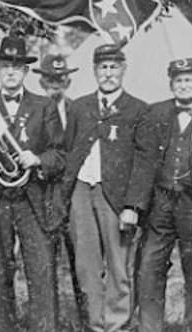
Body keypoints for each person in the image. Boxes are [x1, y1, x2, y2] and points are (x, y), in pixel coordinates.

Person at [0, 35, 65, 332]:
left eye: (17, 67)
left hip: (32, 197)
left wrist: (37, 159)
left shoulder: (43, 105)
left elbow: (60, 154)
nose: (11, 72)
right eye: (5, 66)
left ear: (25, 71)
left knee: (41, 270)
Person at [131, 58, 192, 332]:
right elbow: (144, 160)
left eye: (189, 79)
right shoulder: (156, 113)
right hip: (161, 201)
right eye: (178, 80)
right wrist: (135, 204)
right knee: (149, 267)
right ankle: (150, 327)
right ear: (171, 83)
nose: (183, 85)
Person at [61, 43, 147, 332]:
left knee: (118, 266)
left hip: (116, 197)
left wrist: (132, 206)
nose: (108, 73)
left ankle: (117, 325)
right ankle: (95, 325)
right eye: (103, 67)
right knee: (87, 266)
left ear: (123, 70)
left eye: (113, 67)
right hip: (81, 192)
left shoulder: (137, 109)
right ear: (94, 71)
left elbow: (143, 163)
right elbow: (69, 149)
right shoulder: (79, 106)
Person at [33, 52, 85, 331]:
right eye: (50, 79)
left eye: (60, 78)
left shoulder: (79, 109)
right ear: (41, 81)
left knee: (82, 262)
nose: (55, 84)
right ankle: (49, 323)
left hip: (73, 195)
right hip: (43, 195)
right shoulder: (35, 109)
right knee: (44, 263)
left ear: (68, 80)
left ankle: (85, 322)